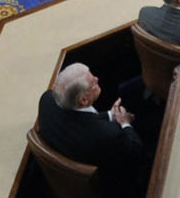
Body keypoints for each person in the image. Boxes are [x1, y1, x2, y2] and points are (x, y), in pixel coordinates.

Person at [36, 63, 147, 198]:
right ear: (83, 100)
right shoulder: (109, 135)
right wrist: (125, 123)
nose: (97, 79)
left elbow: (79, 121)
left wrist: (111, 115)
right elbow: (136, 151)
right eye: (92, 83)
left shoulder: (46, 100)